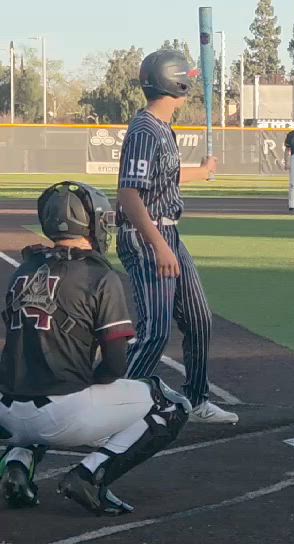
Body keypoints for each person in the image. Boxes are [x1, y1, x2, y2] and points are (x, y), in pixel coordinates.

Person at [0, 182, 190, 516]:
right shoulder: (98, 276)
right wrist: (84, 379)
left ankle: (17, 463)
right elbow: (115, 366)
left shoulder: (25, 269)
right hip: (60, 415)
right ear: (90, 223)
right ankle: (90, 475)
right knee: (169, 403)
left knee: (39, 371)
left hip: (8, 412)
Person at [116, 49, 237, 424]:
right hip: (148, 235)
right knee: (154, 332)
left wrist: (200, 172)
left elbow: (163, 177)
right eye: (187, 79)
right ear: (176, 83)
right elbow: (129, 193)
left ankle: (197, 398)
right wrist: (159, 246)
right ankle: (112, 411)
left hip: (168, 233)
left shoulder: (162, 128)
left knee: (199, 318)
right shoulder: (144, 130)